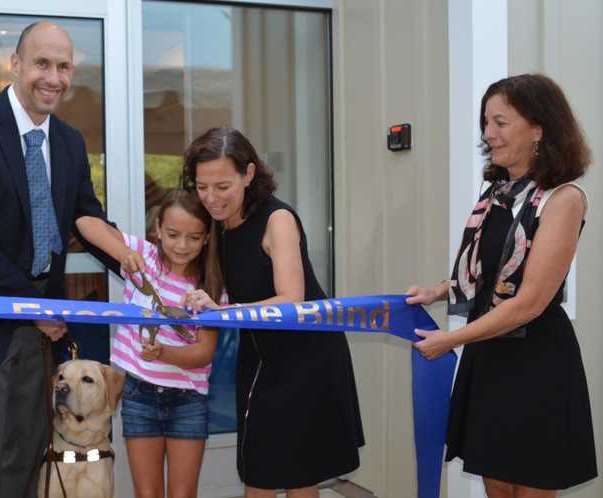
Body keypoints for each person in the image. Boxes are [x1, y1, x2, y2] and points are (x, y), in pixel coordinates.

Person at [0, 22, 120, 498]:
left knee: (27, 459)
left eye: (63, 66)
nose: (53, 77)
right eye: (42, 63)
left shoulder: (70, 142)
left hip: (41, 335)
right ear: (15, 64)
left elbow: (85, 218)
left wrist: (145, 270)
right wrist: (37, 311)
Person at [407, 74, 598, 498]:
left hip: (536, 362)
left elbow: (530, 300)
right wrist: (438, 292)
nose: (488, 134)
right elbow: (488, 271)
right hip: (490, 357)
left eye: (500, 122)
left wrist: (452, 339)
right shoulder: (497, 194)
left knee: (530, 488)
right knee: (496, 485)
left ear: (538, 128)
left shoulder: (563, 199)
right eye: (486, 123)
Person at [180, 127, 364, 498]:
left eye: (222, 186)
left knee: (293, 472)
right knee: (263, 468)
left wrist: (225, 311)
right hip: (262, 355)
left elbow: (291, 299)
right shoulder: (220, 224)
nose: (211, 198)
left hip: (305, 356)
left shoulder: (276, 218)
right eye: (202, 187)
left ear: (248, 175)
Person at [76, 189, 226, 498]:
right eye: (172, 234)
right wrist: (122, 253)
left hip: (189, 401)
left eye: (194, 238)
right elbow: (86, 223)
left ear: (207, 238)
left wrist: (164, 353)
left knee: (183, 494)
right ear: (157, 229)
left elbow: (203, 353)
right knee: (147, 493)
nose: (182, 246)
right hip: (139, 395)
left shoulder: (211, 285)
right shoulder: (143, 257)